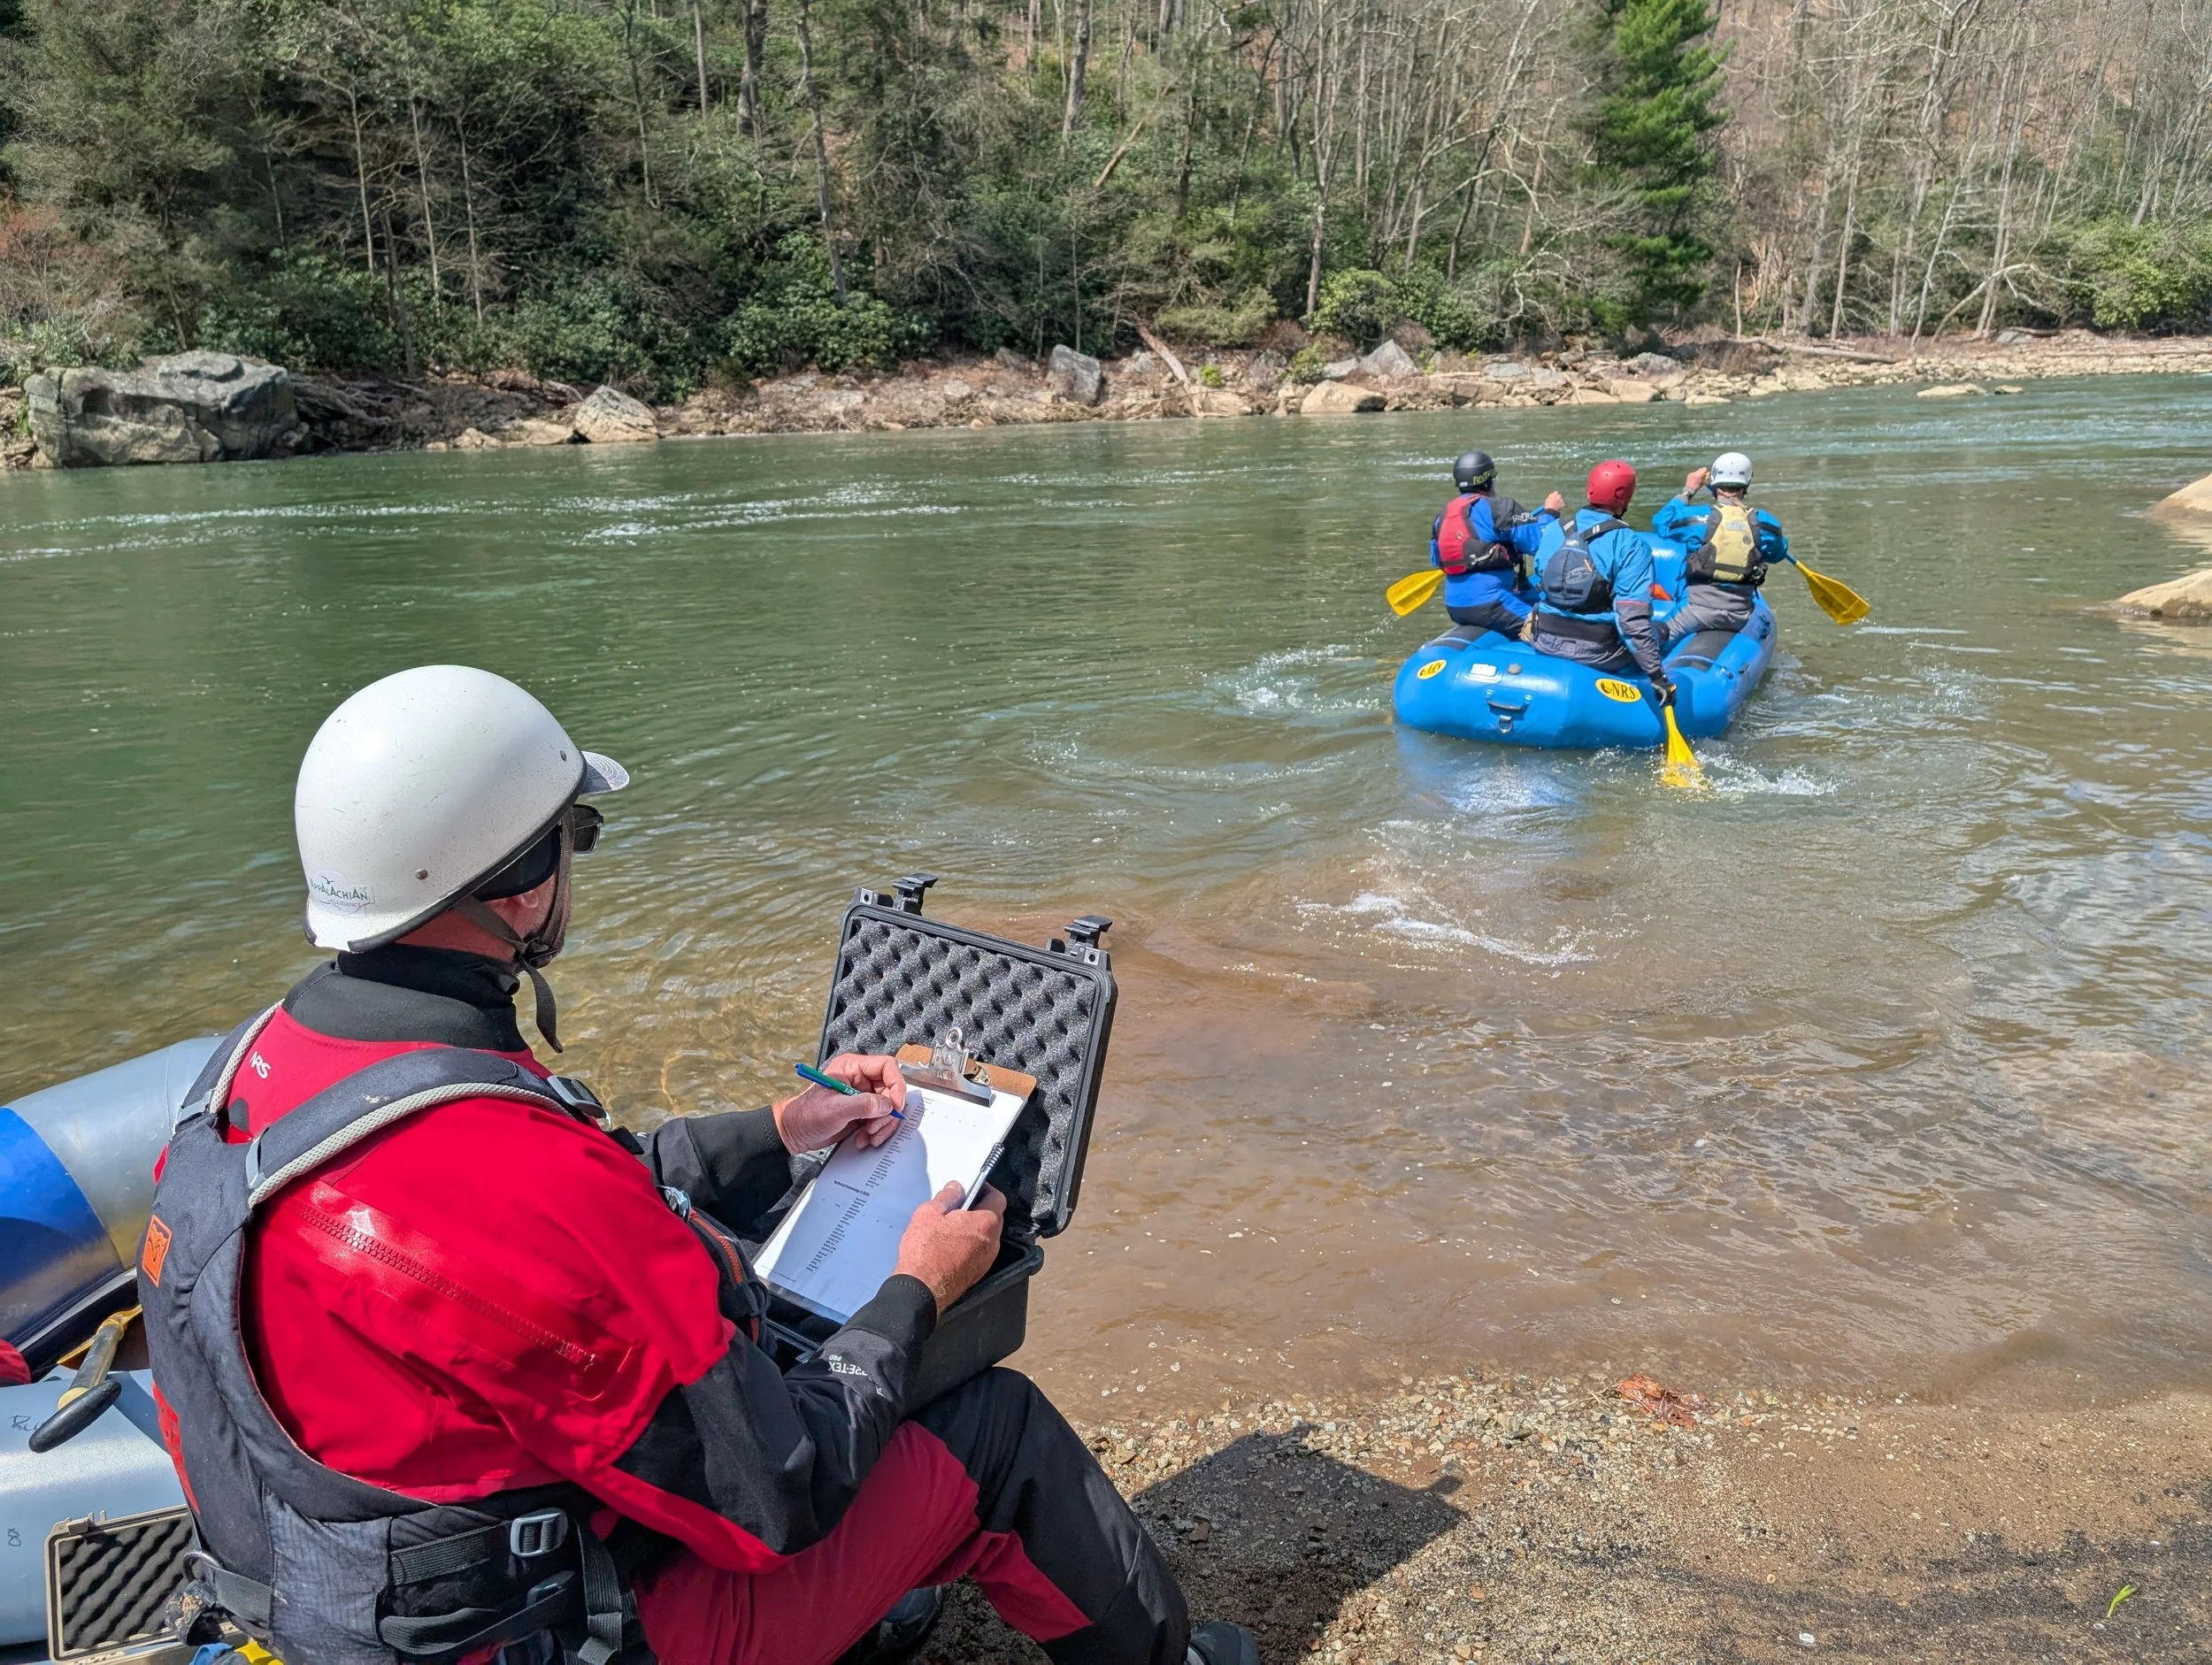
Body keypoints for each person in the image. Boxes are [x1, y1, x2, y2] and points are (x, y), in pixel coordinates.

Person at [138, 664, 1256, 1665]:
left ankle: (866, 1611)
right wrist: (917, 1288)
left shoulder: (259, 1069)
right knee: (995, 1434)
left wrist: (783, 1129)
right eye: (574, 837)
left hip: (336, 1606)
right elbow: (776, 1490)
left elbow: (581, 1186)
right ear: (521, 886)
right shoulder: (509, 1189)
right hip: (555, 1633)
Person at [1528, 460, 1674, 703]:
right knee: (1661, 630)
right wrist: (1658, 676)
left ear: (1590, 490)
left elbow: (1541, 578)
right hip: (1599, 651)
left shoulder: (1554, 529)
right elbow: (1632, 620)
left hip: (1545, 639)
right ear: (1624, 496)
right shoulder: (1630, 543)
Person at [1649, 451, 1791, 647]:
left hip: (1695, 612)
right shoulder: (1765, 524)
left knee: (1648, 641)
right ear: (1747, 482)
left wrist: (1688, 490)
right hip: (1741, 615)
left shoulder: (1698, 519)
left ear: (1715, 484)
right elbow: (1779, 553)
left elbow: (1661, 523)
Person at [1429, 449, 1567, 636]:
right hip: (1491, 604)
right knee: (1560, 631)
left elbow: (1437, 559)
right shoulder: (1500, 508)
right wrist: (1550, 513)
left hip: (1454, 605)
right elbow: (1539, 543)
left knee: (1530, 596)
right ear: (1488, 480)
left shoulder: (1442, 516)